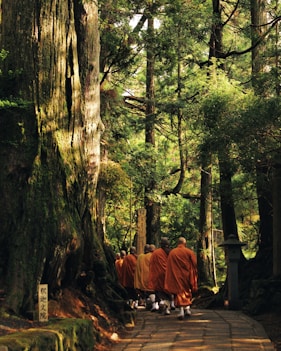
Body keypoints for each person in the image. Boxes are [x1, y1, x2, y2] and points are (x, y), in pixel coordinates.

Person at [165, 236, 198, 320]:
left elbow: (169, 265)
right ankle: (186, 309)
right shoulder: (189, 252)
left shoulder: (172, 252)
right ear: (185, 243)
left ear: (178, 243)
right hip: (187, 275)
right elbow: (194, 263)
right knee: (186, 291)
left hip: (176, 275)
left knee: (179, 292)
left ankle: (182, 310)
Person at [148, 237, 174, 315]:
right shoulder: (170, 252)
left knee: (159, 292)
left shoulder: (155, 253)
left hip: (158, 276)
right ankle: (167, 307)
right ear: (167, 244)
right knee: (168, 292)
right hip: (167, 275)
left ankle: (161, 303)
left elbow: (151, 265)